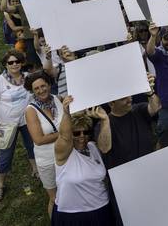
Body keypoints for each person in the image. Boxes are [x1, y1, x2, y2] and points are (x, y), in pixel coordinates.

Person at [98, 73, 160, 225]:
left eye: (130, 95)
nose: (130, 99)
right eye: (124, 98)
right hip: (123, 185)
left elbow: (155, 107)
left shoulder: (138, 110)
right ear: (111, 103)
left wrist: (150, 93)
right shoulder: (103, 124)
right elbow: (104, 148)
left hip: (147, 175)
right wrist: (105, 120)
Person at [53, 96, 113, 225]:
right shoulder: (63, 153)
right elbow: (64, 136)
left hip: (101, 209)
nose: (82, 137)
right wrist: (66, 113)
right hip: (72, 214)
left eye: (85, 132)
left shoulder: (93, 147)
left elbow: (106, 147)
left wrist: (105, 119)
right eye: (76, 133)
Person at [0, 50, 35, 203]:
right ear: (5, 65)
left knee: (33, 146)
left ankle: (36, 170)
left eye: (17, 62)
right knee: (6, 154)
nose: (14, 65)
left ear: (21, 63)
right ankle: (0, 185)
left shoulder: (27, 78)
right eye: (10, 62)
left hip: (27, 121)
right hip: (6, 126)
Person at [24, 71, 63, 217]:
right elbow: (38, 140)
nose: (41, 90)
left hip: (66, 155)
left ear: (48, 85)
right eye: (36, 88)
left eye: (43, 86)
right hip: (48, 160)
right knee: (55, 198)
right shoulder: (31, 110)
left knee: (70, 193)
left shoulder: (57, 99)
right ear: (32, 91)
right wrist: (64, 133)